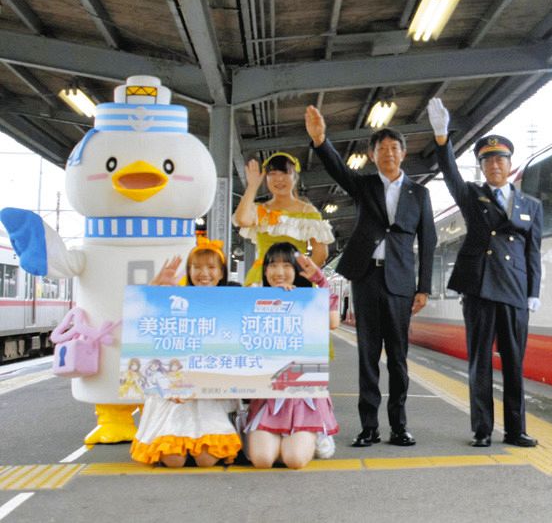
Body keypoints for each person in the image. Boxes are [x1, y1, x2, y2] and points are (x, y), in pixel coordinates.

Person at [305, 105, 437, 448]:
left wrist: (424, 288)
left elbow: (429, 241)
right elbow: (336, 169)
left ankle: (399, 426)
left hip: (400, 284)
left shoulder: (420, 194)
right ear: (372, 155)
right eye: (381, 149)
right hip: (366, 279)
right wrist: (321, 140)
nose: (388, 154)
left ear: (404, 154)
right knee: (367, 356)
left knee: (397, 357)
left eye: (394, 148)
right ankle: (368, 428)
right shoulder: (363, 186)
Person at [428, 98, 543, 448]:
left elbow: (533, 251)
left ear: (510, 165)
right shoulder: (471, 195)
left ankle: (515, 429)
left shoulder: (530, 206)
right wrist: (441, 138)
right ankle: (481, 430)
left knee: (514, 364)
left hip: (514, 292)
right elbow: (449, 174)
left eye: (500, 159)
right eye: (488, 160)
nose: (495, 164)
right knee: (480, 363)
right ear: (481, 167)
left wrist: (534, 291)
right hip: (478, 289)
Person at [129, 240, 242, 468]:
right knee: (173, 460)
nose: (204, 274)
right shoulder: (173, 299)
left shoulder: (234, 301)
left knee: (206, 459)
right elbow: (140, 329)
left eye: (211, 268)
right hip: (174, 392)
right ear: (189, 272)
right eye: (197, 267)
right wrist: (153, 288)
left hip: (211, 392)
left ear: (221, 273)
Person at [244, 242, 341, 469]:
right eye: (272, 265)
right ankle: (283, 439)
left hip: (303, 395)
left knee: (294, 460)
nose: (279, 272)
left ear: (296, 271)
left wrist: (320, 282)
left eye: (286, 265)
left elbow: (333, 322)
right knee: (262, 460)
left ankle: (311, 435)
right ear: (264, 270)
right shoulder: (252, 300)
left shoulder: (308, 298)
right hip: (267, 396)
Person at [234, 152, 334, 285]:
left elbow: (321, 254)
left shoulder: (307, 211)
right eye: (272, 174)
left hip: (296, 279)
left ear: (295, 177)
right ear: (266, 178)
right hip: (262, 277)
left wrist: (300, 277)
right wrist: (252, 187)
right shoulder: (259, 210)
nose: (279, 179)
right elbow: (241, 220)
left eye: (285, 173)